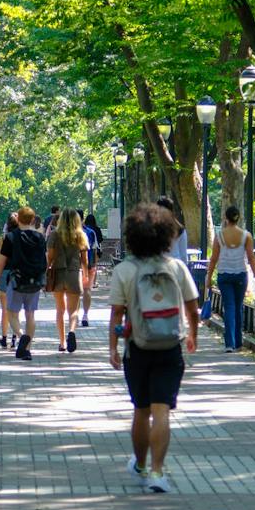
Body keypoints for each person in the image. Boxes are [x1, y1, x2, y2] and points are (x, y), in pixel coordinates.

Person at [109, 202, 200, 494]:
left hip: (138, 347)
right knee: (162, 411)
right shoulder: (176, 267)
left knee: (141, 410)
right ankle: (158, 472)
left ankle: (140, 464)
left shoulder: (124, 270)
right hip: (170, 346)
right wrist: (193, 336)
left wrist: (113, 347)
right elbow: (193, 308)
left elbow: (117, 313)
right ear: (166, 235)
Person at [0, 206, 48, 361]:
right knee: (30, 315)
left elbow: (1, 262)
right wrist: (44, 280)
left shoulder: (11, 237)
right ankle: (27, 350)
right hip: (34, 281)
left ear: (18, 219)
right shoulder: (40, 237)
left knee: (11, 313)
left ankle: (22, 336)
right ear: (33, 219)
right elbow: (44, 260)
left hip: (16, 280)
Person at [206, 206, 251, 351]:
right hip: (241, 275)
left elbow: (213, 258)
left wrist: (209, 277)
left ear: (226, 218)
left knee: (229, 307)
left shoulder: (219, 236)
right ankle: (238, 342)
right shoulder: (246, 235)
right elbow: (251, 258)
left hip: (224, 275)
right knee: (238, 307)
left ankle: (230, 343)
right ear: (238, 218)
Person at [47, 208, 88, 353]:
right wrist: (86, 275)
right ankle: (71, 331)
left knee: (60, 309)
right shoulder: (80, 235)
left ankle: (62, 342)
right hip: (74, 274)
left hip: (58, 274)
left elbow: (50, 256)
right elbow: (85, 259)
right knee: (73, 310)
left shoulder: (54, 235)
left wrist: (47, 269)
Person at [0, 212, 20, 348]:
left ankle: (4, 337)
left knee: (5, 309)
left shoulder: (2, 240)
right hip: (18, 274)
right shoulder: (22, 238)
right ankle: (15, 337)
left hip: (4, 274)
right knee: (15, 309)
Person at [80, 212, 102, 327]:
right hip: (88, 265)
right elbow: (95, 250)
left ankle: (73, 315)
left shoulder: (67, 233)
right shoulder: (90, 232)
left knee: (73, 293)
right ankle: (85, 315)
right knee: (87, 290)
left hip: (72, 267)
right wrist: (94, 266)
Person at [156, 196, 190, 265]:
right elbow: (183, 255)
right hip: (175, 266)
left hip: (158, 267)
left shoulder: (153, 229)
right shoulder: (180, 229)